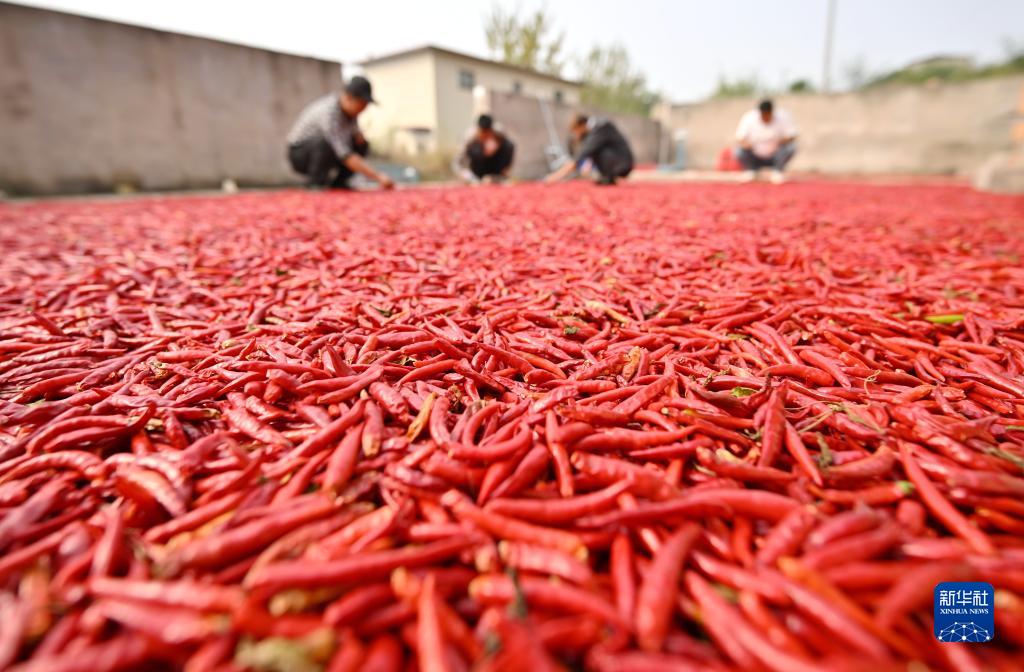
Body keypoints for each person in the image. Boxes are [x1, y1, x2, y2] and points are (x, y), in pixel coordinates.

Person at [286, 76, 394, 190]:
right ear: (348, 98)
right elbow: (344, 154)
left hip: (329, 150)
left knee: (361, 144)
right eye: (362, 103)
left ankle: (339, 183)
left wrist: (360, 144)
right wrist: (377, 176)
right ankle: (315, 183)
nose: (364, 108)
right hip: (300, 153)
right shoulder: (329, 112)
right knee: (325, 143)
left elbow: (355, 143)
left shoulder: (351, 115)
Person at [544, 114, 634, 185]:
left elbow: (581, 156)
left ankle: (610, 176)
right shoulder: (597, 128)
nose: (576, 135)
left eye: (576, 131)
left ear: (581, 125)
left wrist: (555, 176)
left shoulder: (600, 128)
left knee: (592, 152)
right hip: (619, 161)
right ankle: (609, 177)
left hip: (622, 165)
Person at [734, 99, 797, 184]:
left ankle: (777, 172)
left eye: (768, 115)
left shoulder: (783, 117)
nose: (765, 117)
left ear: (772, 112)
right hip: (755, 155)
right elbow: (739, 137)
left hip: (775, 155)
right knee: (739, 150)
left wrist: (781, 141)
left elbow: (793, 135)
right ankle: (751, 171)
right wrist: (747, 144)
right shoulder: (749, 118)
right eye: (763, 115)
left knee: (790, 147)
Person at [455, 115, 515, 184]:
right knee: (475, 150)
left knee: (508, 145)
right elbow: (458, 161)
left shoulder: (499, 131)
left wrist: (497, 146)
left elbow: (510, 146)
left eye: (488, 133)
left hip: (495, 164)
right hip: (477, 169)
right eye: (483, 133)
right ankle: (478, 178)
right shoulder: (470, 136)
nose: (485, 135)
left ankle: (498, 177)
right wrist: (465, 174)